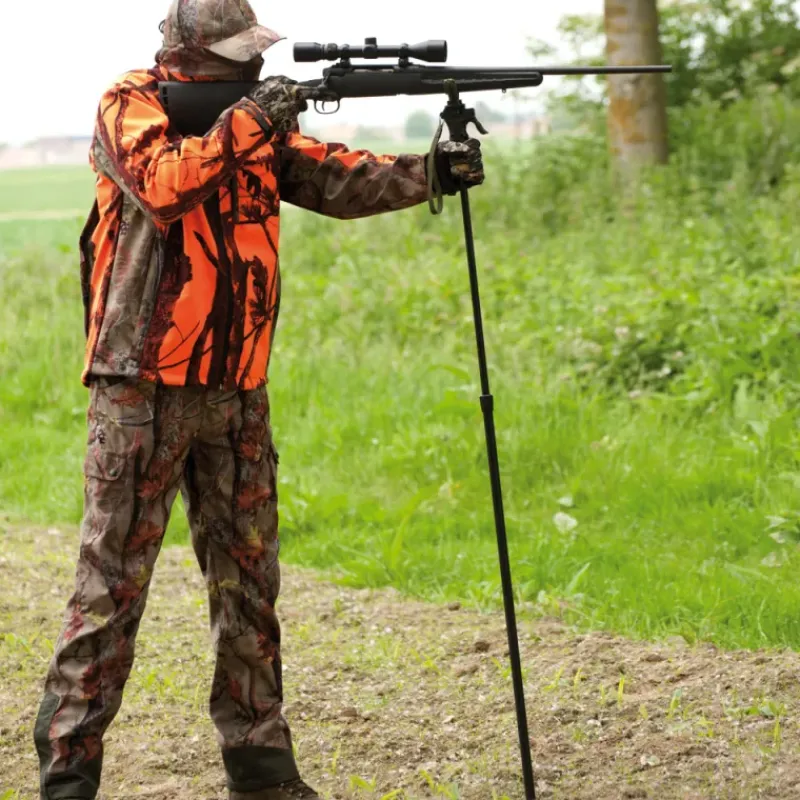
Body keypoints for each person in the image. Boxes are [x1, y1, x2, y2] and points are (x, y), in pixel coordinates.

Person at [32, 1, 485, 798]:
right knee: (110, 592)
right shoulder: (129, 102)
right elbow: (165, 184)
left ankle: (263, 771)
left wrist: (432, 172)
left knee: (250, 588)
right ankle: (68, 776)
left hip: (238, 392)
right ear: (187, 53)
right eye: (235, 55)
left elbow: (334, 177)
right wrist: (252, 116)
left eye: (254, 54)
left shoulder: (256, 126)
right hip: (141, 388)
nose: (251, 66)